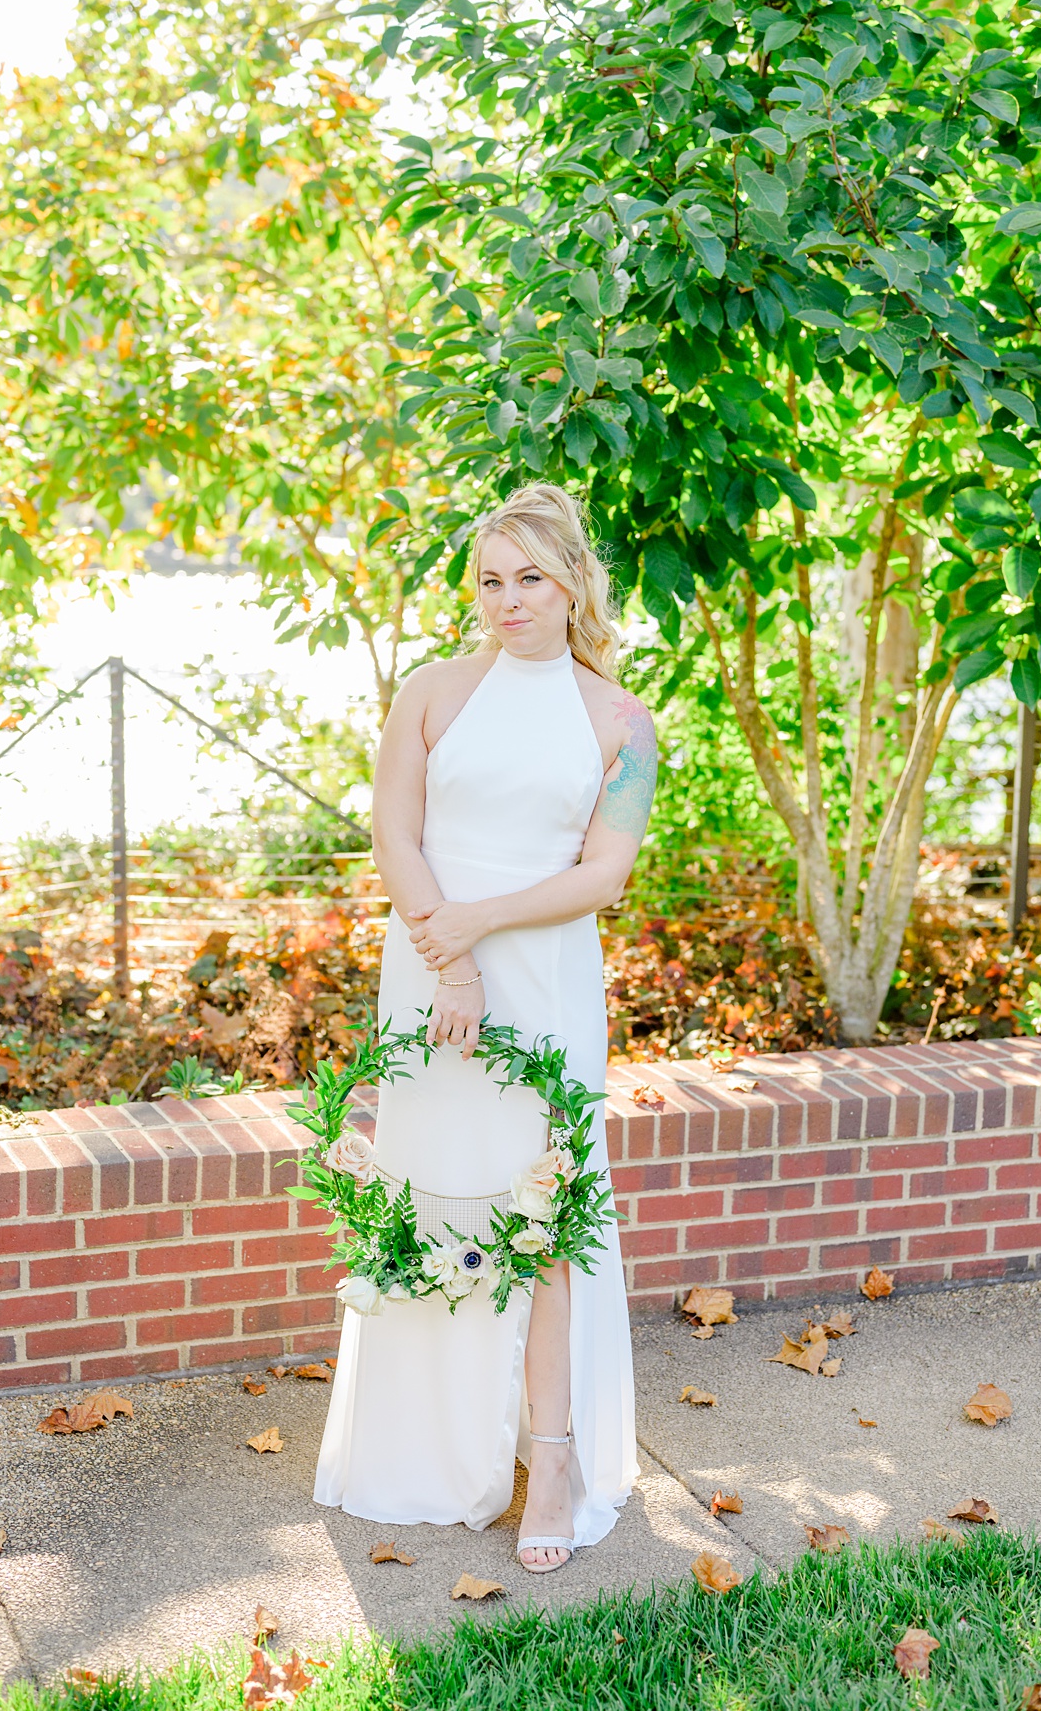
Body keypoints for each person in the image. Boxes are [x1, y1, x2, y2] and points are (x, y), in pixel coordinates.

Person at [311, 484, 651, 1574]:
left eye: (530, 578)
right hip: (426, 968)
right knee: (431, 1184)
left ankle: (548, 1454)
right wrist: (448, 956)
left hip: (544, 975)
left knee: (540, 1202)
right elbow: (394, 830)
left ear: (572, 584)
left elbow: (604, 871)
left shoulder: (621, 722)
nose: (508, 600)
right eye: (491, 579)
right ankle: (428, 1443)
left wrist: (482, 926)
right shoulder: (432, 692)